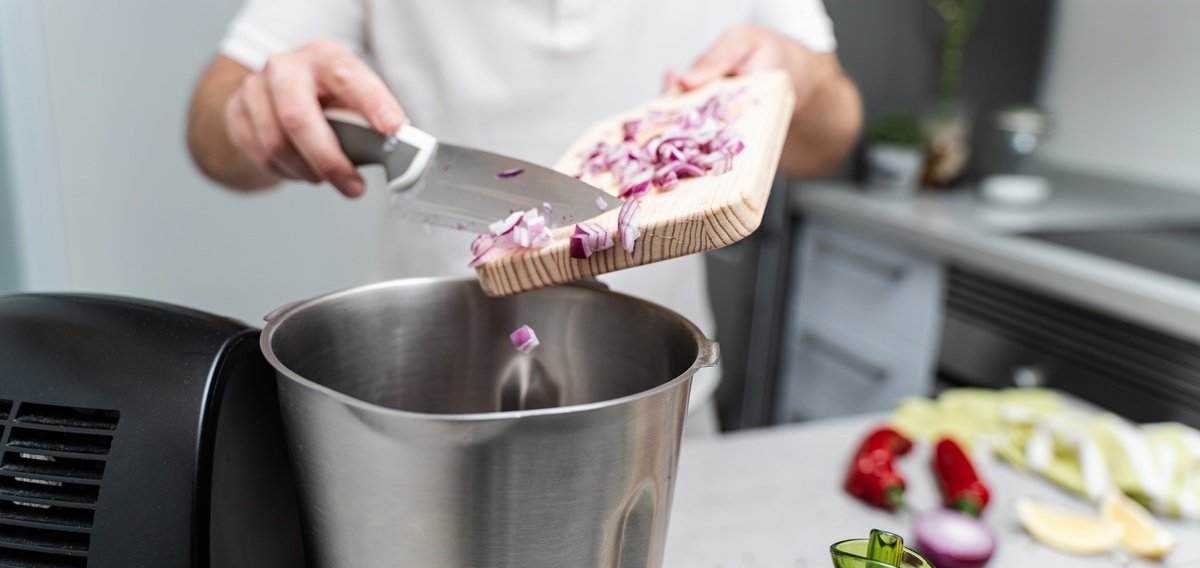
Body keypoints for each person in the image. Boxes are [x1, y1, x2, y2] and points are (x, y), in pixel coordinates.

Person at [187, 0, 862, 434]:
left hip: (663, 415)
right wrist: (258, 109)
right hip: (425, 423)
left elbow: (829, 140)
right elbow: (210, 133)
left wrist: (796, 78)